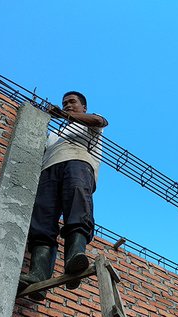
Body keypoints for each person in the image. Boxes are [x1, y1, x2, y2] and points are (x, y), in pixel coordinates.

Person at [19, 91, 108, 300]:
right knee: (41, 219)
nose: (67, 105)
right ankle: (38, 275)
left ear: (83, 107)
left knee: (77, 206)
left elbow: (101, 121)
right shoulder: (54, 134)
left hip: (78, 163)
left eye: (72, 102)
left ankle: (75, 258)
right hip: (48, 171)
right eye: (64, 103)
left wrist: (65, 115)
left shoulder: (89, 123)